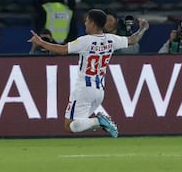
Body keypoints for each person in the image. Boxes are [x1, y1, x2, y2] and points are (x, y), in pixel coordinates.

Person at [28, 9, 149, 137]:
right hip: (99, 91)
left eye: (86, 21)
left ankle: (99, 121)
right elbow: (133, 40)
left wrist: (41, 42)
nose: (85, 24)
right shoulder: (112, 39)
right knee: (79, 123)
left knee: (69, 126)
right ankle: (100, 122)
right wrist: (142, 28)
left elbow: (63, 50)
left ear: (92, 23)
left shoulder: (85, 41)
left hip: (84, 89)